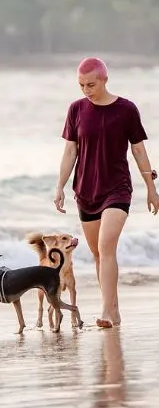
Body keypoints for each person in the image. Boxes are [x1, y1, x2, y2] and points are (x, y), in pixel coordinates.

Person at [54, 56, 159, 328]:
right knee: (99, 255)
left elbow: (138, 150)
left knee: (105, 246)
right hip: (86, 190)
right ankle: (114, 311)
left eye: (91, 84)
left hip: (117, 188)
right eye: (81, 85)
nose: (86, 90)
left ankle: (105, 312)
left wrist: (151, 188)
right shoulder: (76, 110)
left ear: (104, 80)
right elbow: (70, 151)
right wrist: (60, 186)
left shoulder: (126, 110)